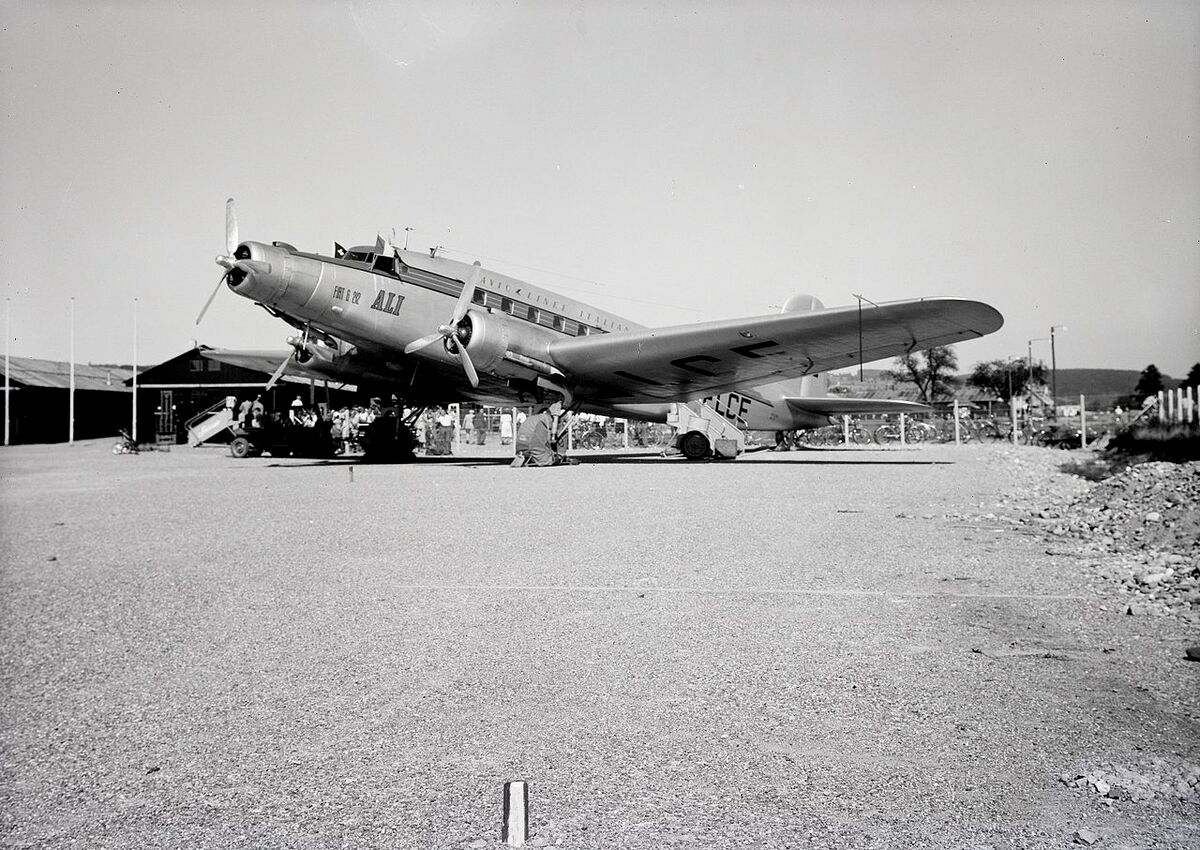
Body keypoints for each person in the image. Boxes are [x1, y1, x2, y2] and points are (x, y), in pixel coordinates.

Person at [513, 401, 578, 466]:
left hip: (521, 449)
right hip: (535, 451)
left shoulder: (533, 418)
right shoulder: (545, 420)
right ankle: (557, 456)